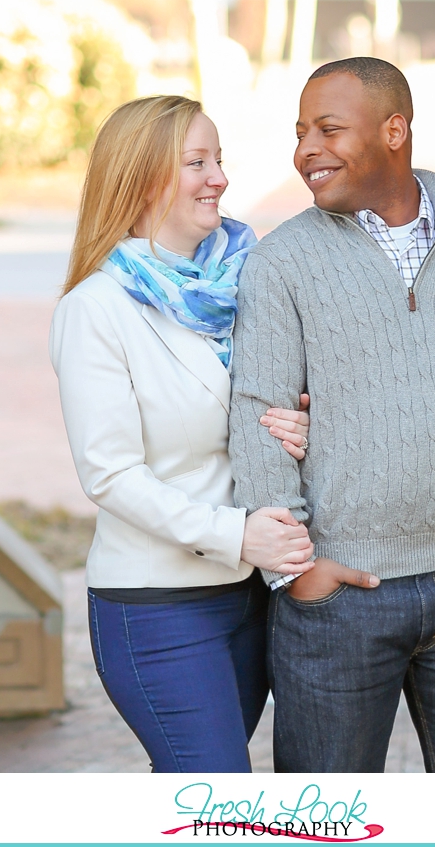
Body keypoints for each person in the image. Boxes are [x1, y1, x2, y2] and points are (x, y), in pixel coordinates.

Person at [228, 56, 435, 775]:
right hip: (337, 599)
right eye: (299, 133)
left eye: (328, 129)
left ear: (394, 130)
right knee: (325, 820)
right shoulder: (281, 263)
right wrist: (300, 573)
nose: (306, 152)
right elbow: (259, 417)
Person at [49, 93, 315, 773]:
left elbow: (262, 413)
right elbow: (109, 473)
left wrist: (308, 421)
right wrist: (236, 534)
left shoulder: (248, 283)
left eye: (218, 158)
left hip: (251, 599)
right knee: (218, 801)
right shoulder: (96, 310)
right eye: (196, 161)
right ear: (141, 179)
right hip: (158, 607)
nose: (219, 177)